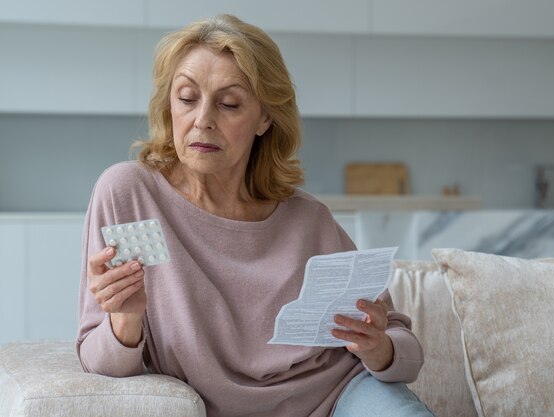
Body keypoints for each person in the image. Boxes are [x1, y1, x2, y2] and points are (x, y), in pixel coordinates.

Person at [76, 14, 433, 417]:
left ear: (265, 118)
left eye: (229, 103)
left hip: (339, 396)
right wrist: (127, 320)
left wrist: (378, 347)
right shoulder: (129, 194)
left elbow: (407, 354)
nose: (203, 119)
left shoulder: (308, 219)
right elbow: (99, 361)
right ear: (168, 105)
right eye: (187, 98)